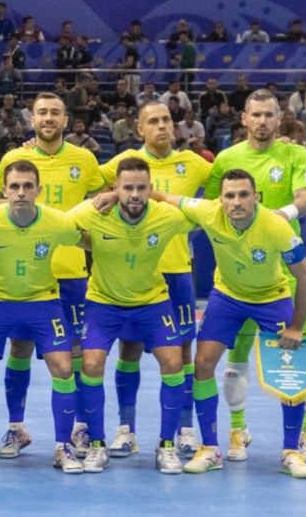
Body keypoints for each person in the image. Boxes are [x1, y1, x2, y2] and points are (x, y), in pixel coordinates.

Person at [148, 170, 306, 478]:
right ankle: (210, 448)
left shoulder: (276, 226)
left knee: (290, 370)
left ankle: (291, 451)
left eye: (243, 195)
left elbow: (305, 277)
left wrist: (295, 326)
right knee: (203, 363)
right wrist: (113, 195)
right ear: (221, 199)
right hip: (227, 296)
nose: (236, 202)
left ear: (255, 197)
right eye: (229, 195)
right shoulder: (208, 211)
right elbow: (162, 197)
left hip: (271, 296)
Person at [205, 89, 306, 463]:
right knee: (234, 359)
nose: (262, 121)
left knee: (299, 356)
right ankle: (238, 430)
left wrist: (276, 218)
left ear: (279, 117)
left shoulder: (294, 153)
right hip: (238, 277)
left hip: (285, 273)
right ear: (244, 118)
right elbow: (212, 208)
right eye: (255, 115)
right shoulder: (227, 159)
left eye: (269, 115)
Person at [96, 101, 212, 459]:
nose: (162, 126)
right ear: (139, 129)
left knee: (182, 353)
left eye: (167, 120)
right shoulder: (121, 163)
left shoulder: (194, 163)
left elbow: (232, 179)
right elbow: (83, 180)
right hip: (131, 274)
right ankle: (125, 429)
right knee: (127, 349)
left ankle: (185, 429)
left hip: (176, 272)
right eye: (154, 121)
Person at [0, 160, 83, 474]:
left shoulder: (58, 222)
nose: (21, 192)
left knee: (64, 368)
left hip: (44, 302)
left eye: (27, 186)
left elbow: (90, 238)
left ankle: (63, 447)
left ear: (38, 190)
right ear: (5, 191)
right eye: (14, 186)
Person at [0, 92, 105, 457]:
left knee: (74, 354)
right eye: (41, 112)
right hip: (24, 272)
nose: (48, 118)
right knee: (20, 348)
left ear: (66, 119)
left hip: (71, 272)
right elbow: (0, 209)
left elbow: (102, 204)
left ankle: (79, 429)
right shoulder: (14, 159)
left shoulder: (85, 159)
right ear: (31, 119)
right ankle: (16, 427)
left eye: (55, 112)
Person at [68, 157, 194, 474]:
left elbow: (208, 211)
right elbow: (55, 223)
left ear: (151, 190)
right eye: (127, 188)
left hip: (152, 301)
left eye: (141, 188)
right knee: (91, 363)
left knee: (174, 361)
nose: (134, 194)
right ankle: (97, 444)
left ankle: (167, 445)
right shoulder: (94, 212)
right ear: (115, 189)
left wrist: (164, 198)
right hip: (102, 302)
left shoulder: (166, 216)